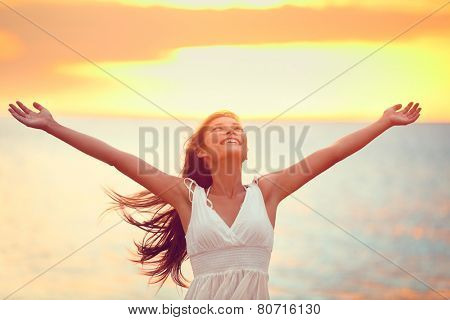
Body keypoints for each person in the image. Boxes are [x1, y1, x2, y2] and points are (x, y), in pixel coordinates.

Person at [7, 101, 421, 299]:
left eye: (236, 128)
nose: (231, 132)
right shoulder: (187, 199)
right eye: (219, 129)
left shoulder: (268, 191)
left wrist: (384, 122)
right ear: (202, 152)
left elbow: (331, 154)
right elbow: (118, 159)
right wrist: (53, 127)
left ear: (245, 147)